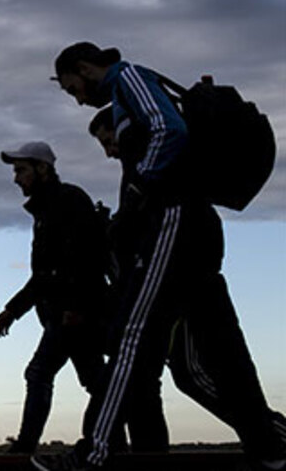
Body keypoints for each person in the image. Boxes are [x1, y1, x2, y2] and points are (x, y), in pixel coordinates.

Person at [32, 42, 285, 471]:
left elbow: (170, 131)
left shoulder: (128, 78)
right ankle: (271, 447)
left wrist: (138, 190)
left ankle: (95, 453)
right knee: (223, 346)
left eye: (73, 88)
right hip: (196, 228)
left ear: (84, 68)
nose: (77, 99)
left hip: (172, 221)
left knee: (133, 334)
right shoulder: (131, 90)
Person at [88, 106, 286, 459]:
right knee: (200, 371)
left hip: (176, 279)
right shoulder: (151, 174)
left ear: (120, 128)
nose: (109, 151)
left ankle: (269, 436)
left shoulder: (150, 165)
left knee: (194, 372)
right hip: (179, 275)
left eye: (108, 141)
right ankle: (267, 438)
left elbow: (155, 229)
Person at [0, 141, 107, 455]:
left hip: (73, 314)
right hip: (63, 313)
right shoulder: (46, 210)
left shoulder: (69, 201)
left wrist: (76, 307)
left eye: (21, 170)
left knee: (39, 372)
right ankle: (110, 440)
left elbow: (86, 259)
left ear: (43, 168)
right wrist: (12, 311)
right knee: (96, 380)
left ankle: (28, 447)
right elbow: (43, 276)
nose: (16, 179)